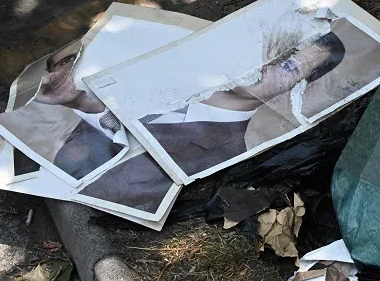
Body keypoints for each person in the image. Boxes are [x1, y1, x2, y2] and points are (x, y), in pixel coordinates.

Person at [141, 31, 345, 177]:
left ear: (295, 87)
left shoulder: (223, 151)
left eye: (289, 66)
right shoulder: (179, 67)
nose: (268, 65)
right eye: (276, 49)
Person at [33, 41, 174, 213]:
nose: (49, 79)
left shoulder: (167, 87)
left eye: (68, 60)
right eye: (54, 68)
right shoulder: (69, 161)